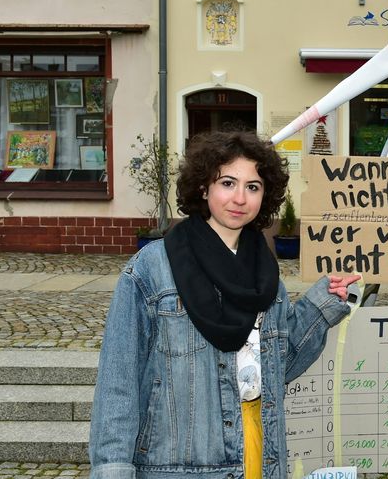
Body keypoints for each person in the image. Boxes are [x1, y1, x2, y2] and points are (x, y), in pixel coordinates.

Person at [89, 130, 360, 479]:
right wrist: (113, 470)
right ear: (204, 188)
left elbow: (278, 364)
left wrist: (323, 303)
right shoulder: (151, 269)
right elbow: (118, 382)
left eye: (253, 187)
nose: (240, 198)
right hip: (179, 465)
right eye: (228, 183)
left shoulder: (265, 275)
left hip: (259, 453)